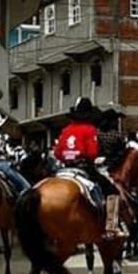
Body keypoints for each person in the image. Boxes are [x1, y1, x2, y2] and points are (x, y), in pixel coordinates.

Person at [54, 97, 123, 238]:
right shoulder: (90, 129)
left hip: (64, 169)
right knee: (113, 191)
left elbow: (57, 153)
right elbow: (92, 152)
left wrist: (68, 156)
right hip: (83, 167)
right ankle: (111, 226)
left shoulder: (66, 130)